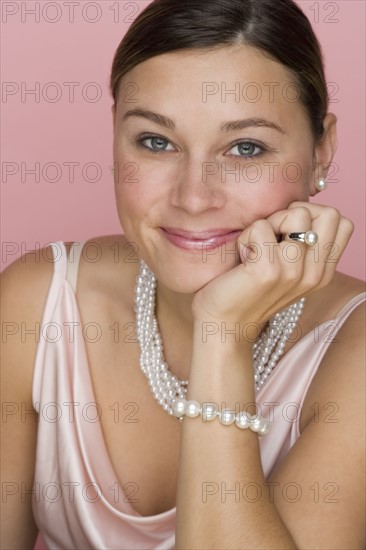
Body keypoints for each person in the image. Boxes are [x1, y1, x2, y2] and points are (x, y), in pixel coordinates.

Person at [1, 0, 365, 548]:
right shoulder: (38, 304)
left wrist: (222, 334)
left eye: (246, 148)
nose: (194, 197)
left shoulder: (356, 354)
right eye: (156, 142)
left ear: (321, 152)